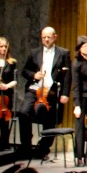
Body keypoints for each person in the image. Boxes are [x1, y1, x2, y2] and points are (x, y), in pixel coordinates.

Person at [18, 26, 72, 160]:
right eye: (44, 37)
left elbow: (67, 75)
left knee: (49, 119)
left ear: (55, 37)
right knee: (23, 112)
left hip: (51, 91)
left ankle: (42, 149)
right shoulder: (34, 53)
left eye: (49, 37)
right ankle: (26, 147)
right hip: (35, 89)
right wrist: (34, 75)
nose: (46, 40)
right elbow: (25, 71)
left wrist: (65, 94)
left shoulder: (63, 53)